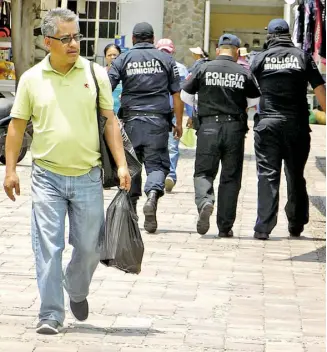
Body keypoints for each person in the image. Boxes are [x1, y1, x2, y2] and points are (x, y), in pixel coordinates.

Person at [3, 8, 131, 335]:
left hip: (88, 176)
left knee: (89, 247)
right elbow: (17, 128)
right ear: (48, 42)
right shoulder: (32, 79)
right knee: (48, 247)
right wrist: (11, 171)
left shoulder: (95, 73)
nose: (74, 43)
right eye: (66, 38)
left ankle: (76, 287)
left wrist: (121, 164)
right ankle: (50, 314)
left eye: (76, 36)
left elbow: (110, 122)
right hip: (46, 176)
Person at [251, 19, 326, 240]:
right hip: (297, 126)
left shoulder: (260, 58)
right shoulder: (302, 57)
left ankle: (263, 227)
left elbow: (248, 86)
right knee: (295, 175)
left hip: (268, 125)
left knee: (267, 175)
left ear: (271, 36)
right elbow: (319, 88)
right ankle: (296, 223)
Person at [181, 34, 261, 237]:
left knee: (203, 173)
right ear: (236, 52)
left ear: (218, 50)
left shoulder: (202, 68)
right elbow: (254, 100)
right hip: (234, 129)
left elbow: (185, 95)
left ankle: (205, 201)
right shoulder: (243, 71)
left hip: (208, 127)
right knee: (230, 178)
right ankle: (225, 227)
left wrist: (201, 106)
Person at [108, 22, 184, 233]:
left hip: (131, 122)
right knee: (158, 166)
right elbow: (177, 94)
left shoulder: (123, 58)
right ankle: (152, 196)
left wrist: (107, 119)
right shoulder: (167, 59)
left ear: (133, 39)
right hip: (158, 122)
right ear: (152, 38)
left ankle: (131, 213)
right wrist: (178, 123)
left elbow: (107, 88)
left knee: (131, 165)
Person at [155, 38, 193, 192]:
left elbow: (184, 94)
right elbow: (185, 95)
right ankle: (168, 174)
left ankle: (164, 175)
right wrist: (189, 115)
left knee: (161, 146)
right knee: (171, 146)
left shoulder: (154, 68)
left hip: (158, 112)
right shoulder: (181, 69)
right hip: (169, 112)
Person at [104, 44, 122, 115]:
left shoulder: (126, 74)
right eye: (109, 55)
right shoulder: (100, 73)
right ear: (105, 57)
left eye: (115, 55)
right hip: (105, 113)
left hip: (122, 114)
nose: (112, 57)